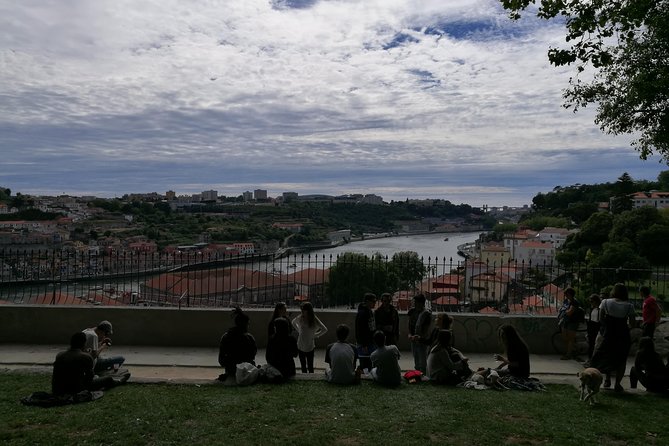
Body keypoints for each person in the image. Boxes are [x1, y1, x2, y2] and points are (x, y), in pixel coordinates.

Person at [589, 283, 636, 392]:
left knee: (607, 356)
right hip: (623, 335)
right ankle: (618, 384)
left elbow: (601, 319)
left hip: (609, 334)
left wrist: (608, 327)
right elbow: (632, 324)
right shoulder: (629, 306)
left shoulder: (605, 302)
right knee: (621, 359)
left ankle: (607, 379)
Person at [52, 332, 129, 396]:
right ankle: (119, 381)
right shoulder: (85, 357)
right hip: (77, 389)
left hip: (59, 389)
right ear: (84, 344)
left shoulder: (60, 355)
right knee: (107, 378)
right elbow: (89, 379)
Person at [218, 307, 257, 381]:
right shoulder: (249, 338)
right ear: (245, 325)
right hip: (245, 370)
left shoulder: (226, 337)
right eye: (248, 324)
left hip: (231, 370)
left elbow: (221, 360)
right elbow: (252, 355)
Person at [292, 301, 328, 373]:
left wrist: (315, 335)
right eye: (301, 309)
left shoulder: (314, 319)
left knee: (310, 365)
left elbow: (324, 329)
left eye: (303, 310)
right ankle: (304, 377)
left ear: (308, 310)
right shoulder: (300, 317)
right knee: (303, 365)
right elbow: (293, 322)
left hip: (310, 346)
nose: (302, 311)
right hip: (300, 345)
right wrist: (299, 330)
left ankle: (311, 377)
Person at [408, 294, 432, 373]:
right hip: (413, 339)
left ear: (421, 303)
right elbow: (410, 324)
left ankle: (423, 374)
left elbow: (426, 329)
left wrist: (419, 337)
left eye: (416, 302)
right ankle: (417, 372)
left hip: (422, 340)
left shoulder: (426, 314)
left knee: (422, 359)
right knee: (416, 357)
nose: (414, 304)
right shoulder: (412, 311)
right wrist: (410, 334)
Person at [557, 288, 581, 360]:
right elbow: (562, 309)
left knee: (570, 338)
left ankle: (568, 354)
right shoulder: (566, 301)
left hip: (573, 321)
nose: (565, 295)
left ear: (570, 294)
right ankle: (573, 349)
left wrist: (564, 311)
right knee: (565, 337)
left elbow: (569, 312)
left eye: (566, 294)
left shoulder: (574, 302)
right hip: (566, 321)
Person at [355, 293, 377, 370]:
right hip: (364, 343)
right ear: (367, 301)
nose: (375, 303)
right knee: (365, 363)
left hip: (370, 342)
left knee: (369, 363)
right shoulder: (362, 313)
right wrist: (364, 345)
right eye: (373, 301)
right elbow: (360, 330)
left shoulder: (369, 311)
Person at [586, 294, 602, 360]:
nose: (591, 303)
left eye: (592, 301)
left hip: (597, 328)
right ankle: (590, 359)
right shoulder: (592, 309)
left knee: (596, 345)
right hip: (591, 328)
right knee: (591, 344)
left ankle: (593, 359)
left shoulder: (600, 309)